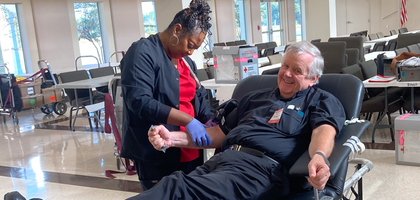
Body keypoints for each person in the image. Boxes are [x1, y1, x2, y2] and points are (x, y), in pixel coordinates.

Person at [127, 41, 347, 199]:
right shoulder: (255, 97)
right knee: (171, 184)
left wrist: (319, 156)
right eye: (285, 66)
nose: (287, 74)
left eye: (297, 70)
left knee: (179, 190)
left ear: (314, 78)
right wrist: (171, 138)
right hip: (221, 163)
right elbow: (216, 135)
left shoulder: (319, 99)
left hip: (260, 171)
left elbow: (324, 130)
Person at [119, 0, 215, 191]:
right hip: (156, 150)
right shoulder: (143, 52)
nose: (190, 51)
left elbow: (198, 97)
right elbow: (139, 101)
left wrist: (210, 119)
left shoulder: (186, 62)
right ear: (177, 30)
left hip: (189, 147)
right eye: (190, 44)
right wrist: (188, 120)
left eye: (195, 48)